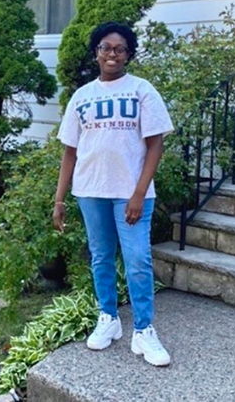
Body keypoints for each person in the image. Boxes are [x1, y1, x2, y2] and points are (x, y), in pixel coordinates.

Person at [53, 21, 174, 367]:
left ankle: (144, 330)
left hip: (132, 194)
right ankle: (108, 319)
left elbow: (155, 145)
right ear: (96, 52)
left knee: (138, 260)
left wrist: (138, 193)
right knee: (101, 257)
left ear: (128, 54)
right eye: (106, 47)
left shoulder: (142, 90)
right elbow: (70, 152)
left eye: (120, 49)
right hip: (90, 190)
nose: (112, 54)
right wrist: (59, 200)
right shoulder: (82, 96)